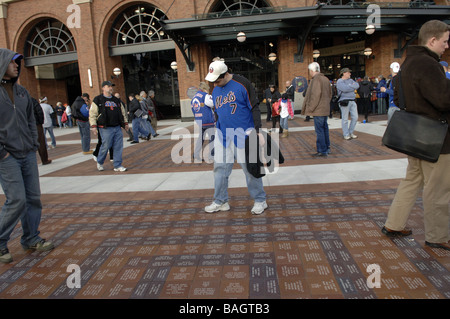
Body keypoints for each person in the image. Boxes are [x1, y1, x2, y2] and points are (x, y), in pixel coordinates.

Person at [382, 20, 450, 251]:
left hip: (414, 137)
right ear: (432, 40)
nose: (446, 46)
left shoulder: (407, 63)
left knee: (411, 182)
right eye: (444, 41)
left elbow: (400, 100)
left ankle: (394, 224)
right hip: (437, 139)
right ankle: (437, 236)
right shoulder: (430, 65)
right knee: (438, 188)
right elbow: (443, 100)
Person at [0, 49, 54, 263]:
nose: (17, 66)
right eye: (13, 62)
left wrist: (34, 144)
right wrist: (2, 153)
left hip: (27, 153)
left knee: (33, 198)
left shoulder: (22, 92)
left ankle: (31, 238)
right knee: (17, 200)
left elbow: (32, 120)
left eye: (18, 63)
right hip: (7, 156)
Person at [204, 58, 267, 215]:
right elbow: (219, 111)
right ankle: (221, 201)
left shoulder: (242, 83)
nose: (214, 84)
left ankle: (260, 200)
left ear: (225, 74)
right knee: (219, 169)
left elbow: (255, 107)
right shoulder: (216, 89)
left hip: (244, 134)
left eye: (216, 80)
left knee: (250, 169)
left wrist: (258, 131)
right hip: (223, 135)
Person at [89, 81, 129, 172]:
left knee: (118, 146)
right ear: (103, 88)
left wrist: (125, 123)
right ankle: (100, 162)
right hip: (105, 128)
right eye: (108, 86)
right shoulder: (98, 99)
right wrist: (94, 126)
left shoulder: (116, 100)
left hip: (117, 127)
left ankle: (117, 165)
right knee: (105, 145)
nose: (110, 88)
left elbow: (122, 112)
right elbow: (92, 113)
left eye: (111, 86)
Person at [302, 62, 332, 156]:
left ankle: (322, 150)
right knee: (324, 129)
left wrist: (310, 108)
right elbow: (330, 94)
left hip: (318, 110)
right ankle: (327, 148)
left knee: (319, 131)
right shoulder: (325, 79)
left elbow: (315, 95)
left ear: (312, 70)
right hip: (324, 108)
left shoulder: (316, 80)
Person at [191, 82, 215, 162]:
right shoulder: (205, 96)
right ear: (205, 88)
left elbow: (193, 109)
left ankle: (196, 154)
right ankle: (211, 156)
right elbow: (212, 104)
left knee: (200, 138)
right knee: (212, 138)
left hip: (199, 120)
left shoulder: (194, 97)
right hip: (207, 120)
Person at [336, 68, 359, 140]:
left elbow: (357, 85)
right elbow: (344, 89)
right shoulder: (340, 81)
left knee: (355, 117)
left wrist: (348, 87)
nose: (350, 74)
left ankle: (350, 132)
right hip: (344, 101)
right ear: (344, 73)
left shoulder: (351, 80)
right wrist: (351, 87)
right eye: (348, 72)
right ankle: (346, 134)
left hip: (352, 100)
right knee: (345, 119)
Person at [32, 97, 52, 165]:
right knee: (41, 142)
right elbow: (39, 112)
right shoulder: (33, 100)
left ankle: (31, 162)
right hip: (36, 124)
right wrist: (41, 122)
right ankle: (44, 159)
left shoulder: (18, 101)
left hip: (25, 125)